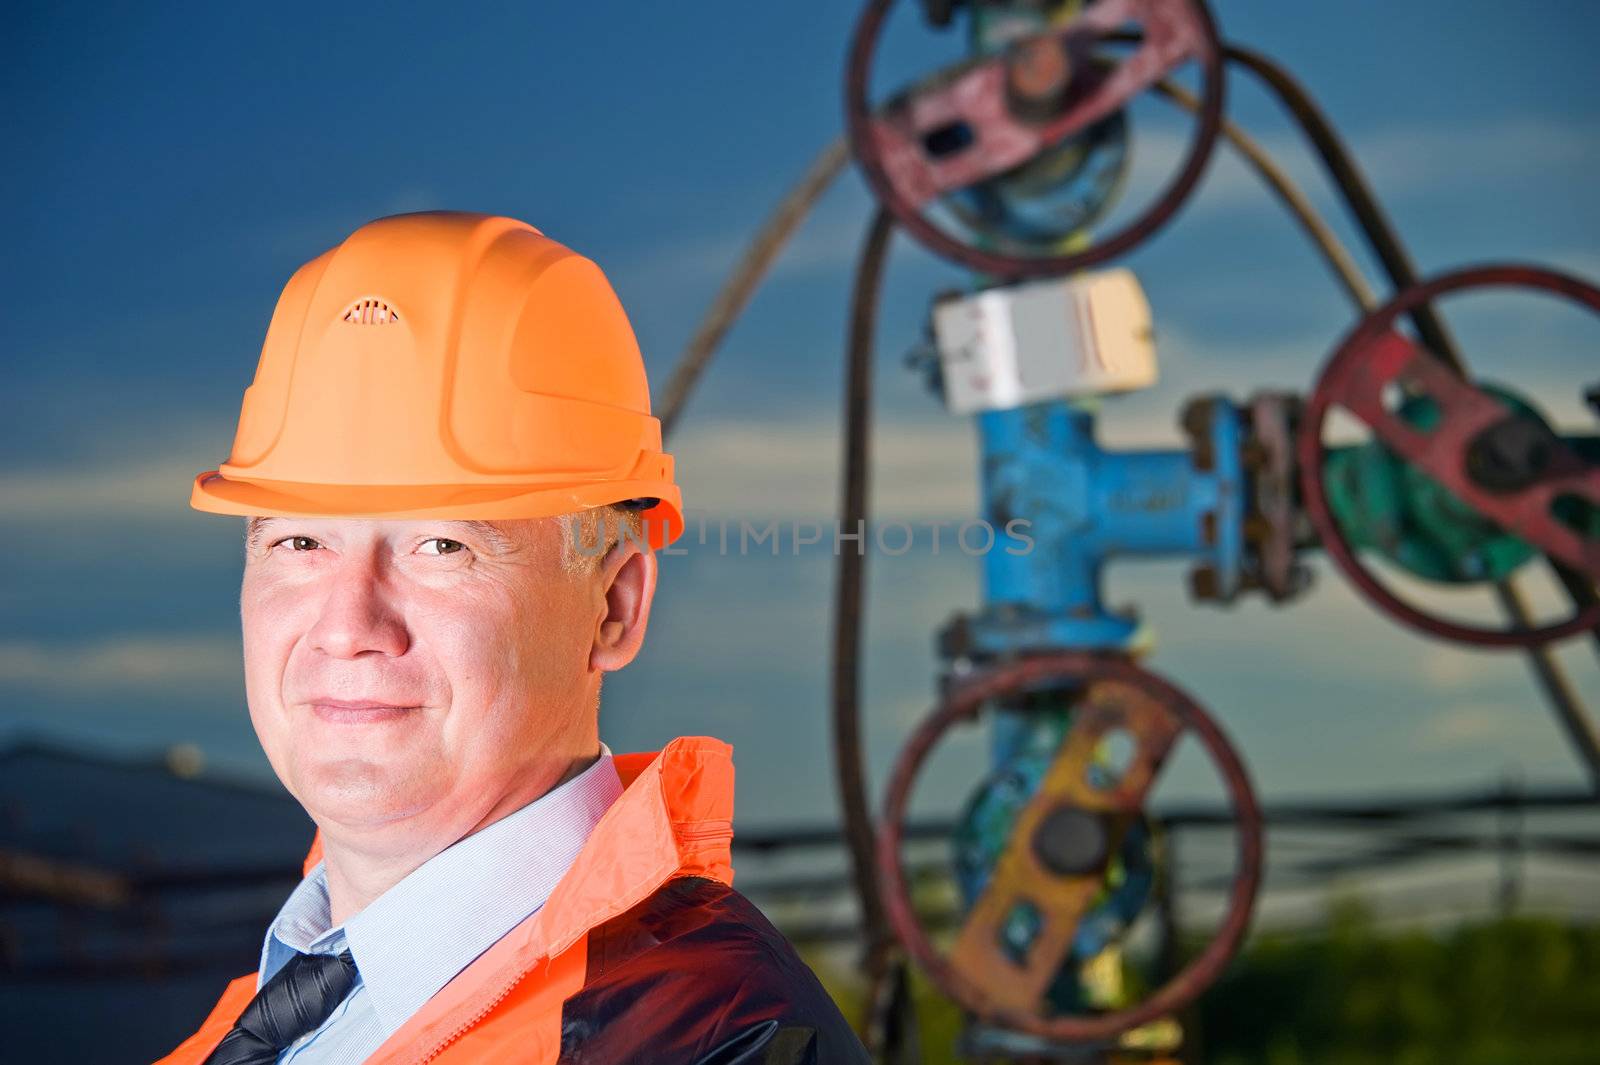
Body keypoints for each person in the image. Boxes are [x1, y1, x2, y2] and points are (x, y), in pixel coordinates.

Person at [157, 212, 870, 1064]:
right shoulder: (289, 1009)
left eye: (443, 546)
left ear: (614, 605)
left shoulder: (712, 1039)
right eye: (298, 542)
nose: (348, 626)